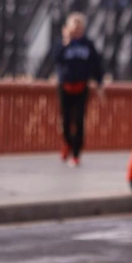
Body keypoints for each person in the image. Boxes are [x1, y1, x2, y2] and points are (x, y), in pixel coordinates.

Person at [52, 12, 104, 166]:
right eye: (74, 26)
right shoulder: (62, 43)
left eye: (80, 27)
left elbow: (96, 64)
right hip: (65, 85)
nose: (77, 30)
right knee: (66, 120)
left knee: (79, 120)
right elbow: (55, 58)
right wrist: (66, 42)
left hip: (82, 86)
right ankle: (67, 143)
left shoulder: (88, 45)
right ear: (68, 28)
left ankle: (76, 153)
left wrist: (100, 82)